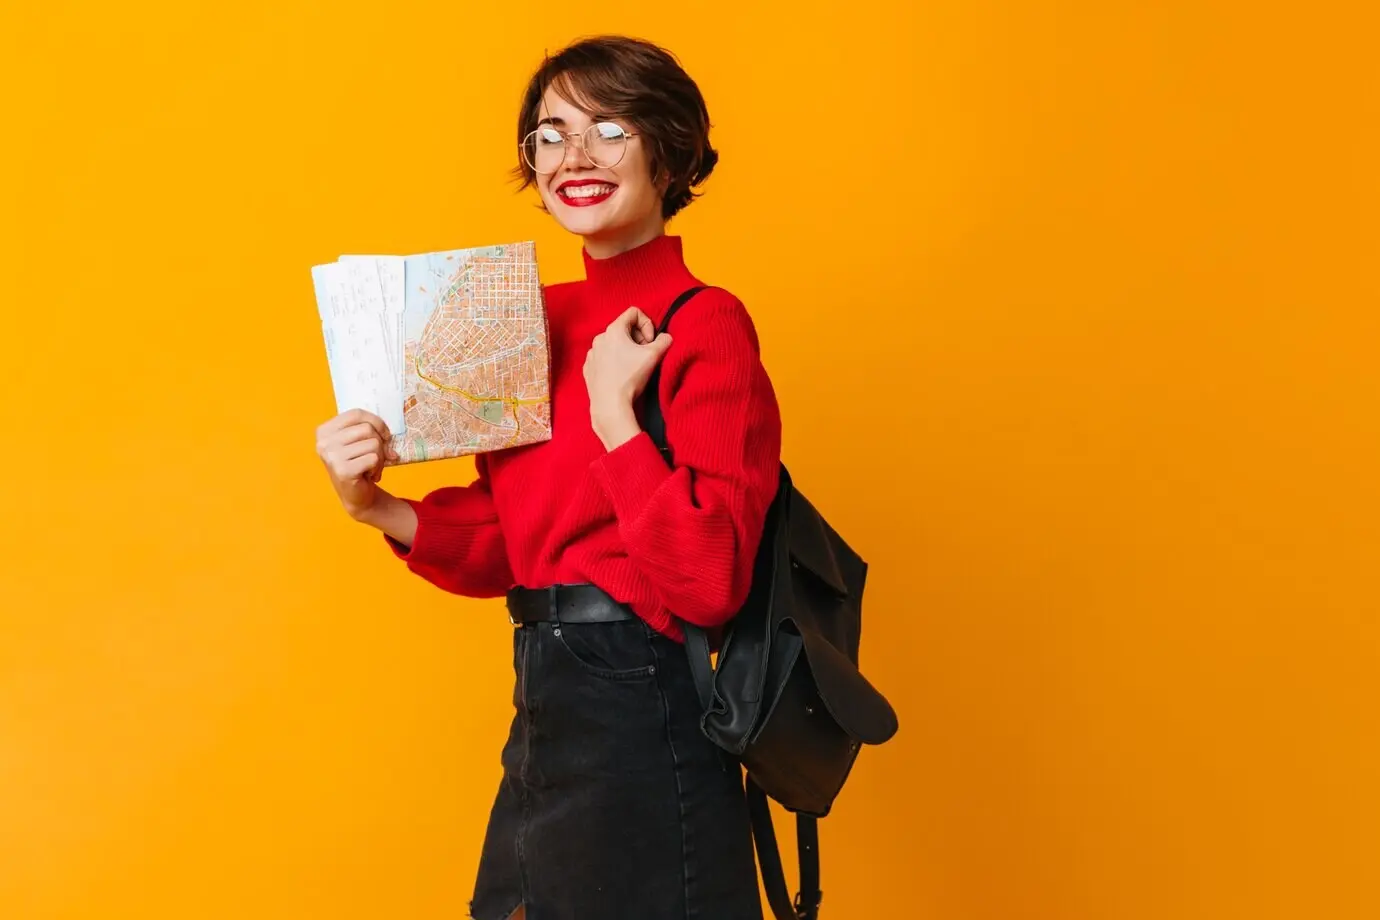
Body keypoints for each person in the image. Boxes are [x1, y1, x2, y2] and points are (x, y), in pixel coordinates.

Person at [313, 35, 781, 920]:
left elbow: (711, 581)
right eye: (551, 133)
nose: (575, 157)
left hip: (646, 701)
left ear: (669, 147)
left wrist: (615, 418)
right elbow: (511, 539)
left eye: (608, 128)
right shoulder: (529, 317)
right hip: (545, 695)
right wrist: (371, 503)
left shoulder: (704, 323)